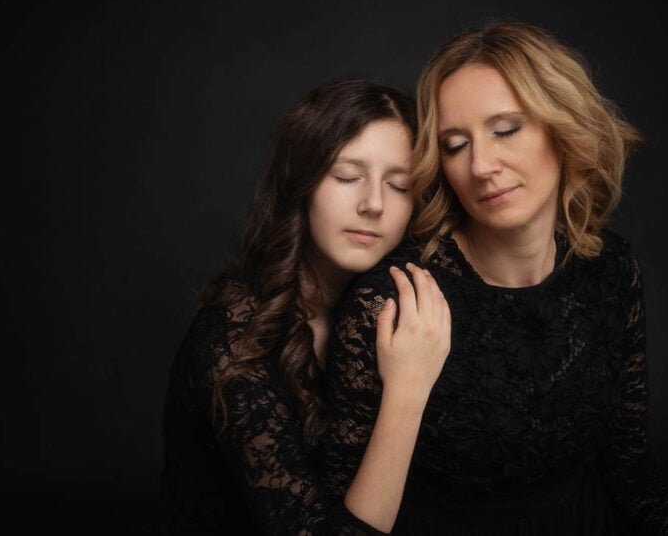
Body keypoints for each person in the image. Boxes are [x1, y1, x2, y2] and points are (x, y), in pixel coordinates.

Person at [321, 22, 668, 534]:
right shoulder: (393, 299)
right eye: (454, 144)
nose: (482, 165)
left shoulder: (612, 270)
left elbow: (629, 470)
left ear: (563, 127)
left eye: (506, 130)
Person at [160, 79, 451, 535]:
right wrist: (408, 390)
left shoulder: (392, 308)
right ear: (303, 182)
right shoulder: (233, 338)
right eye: (347, 177)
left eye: (399, 185)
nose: (373, 204)